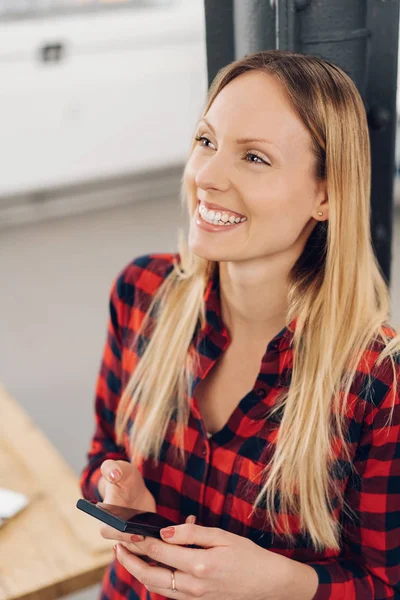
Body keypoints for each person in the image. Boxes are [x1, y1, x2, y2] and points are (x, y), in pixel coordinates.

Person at [80, 50, 400, 600]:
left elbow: (386, 585)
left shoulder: (379, 381)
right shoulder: (141, 292)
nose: (206, 176)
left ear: (326, 194)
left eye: (254, 158)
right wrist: (119, 497)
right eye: (207, 141)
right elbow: (101, 451)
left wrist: (279, 583)